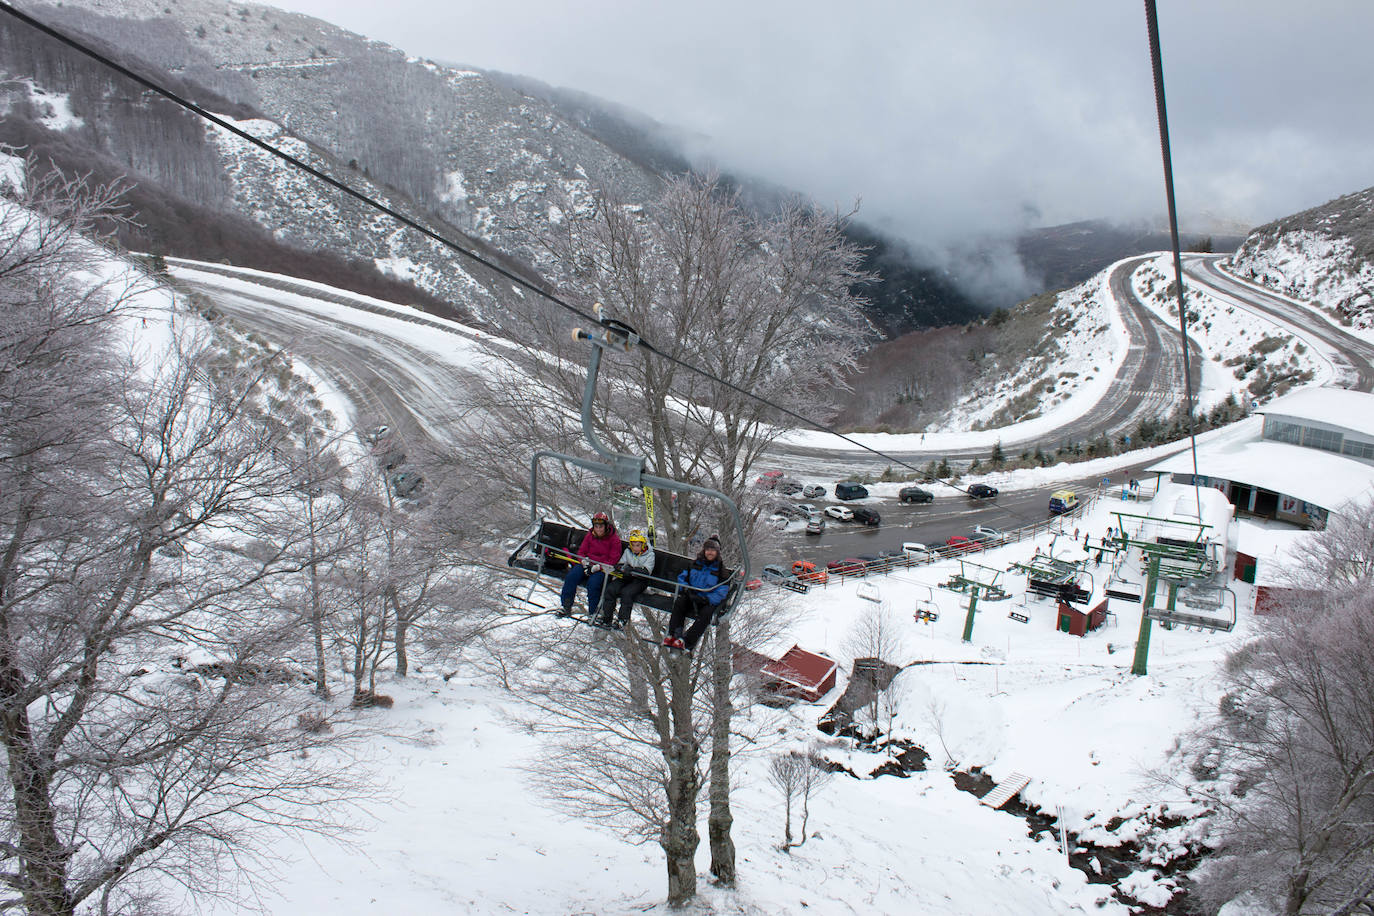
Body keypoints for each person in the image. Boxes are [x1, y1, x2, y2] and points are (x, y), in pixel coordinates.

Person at [663, 536, 730, 651]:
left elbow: (722, 591)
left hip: (705, 601)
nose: (710, 552)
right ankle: (674, 635)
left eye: (713, 550)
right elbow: (682, 577)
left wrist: (706, 599)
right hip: (691, 596)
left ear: (717, 552)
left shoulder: (721, 571)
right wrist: (685, 589)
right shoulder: (695, 564)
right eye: (708, 549)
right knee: (680, 602)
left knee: (707, 614)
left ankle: (688, 641)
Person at [558, 511, 622, 618]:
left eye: (601, 526)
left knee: (593, 584)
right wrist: (584, 561)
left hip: (602, 568)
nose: (598, 529)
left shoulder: (614, 540)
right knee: (571, 577)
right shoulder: (590, 535)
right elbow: (582, 551)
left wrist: (599, 567)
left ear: (606, 526)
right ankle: (566, 605)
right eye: (596, 526)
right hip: (588, 564)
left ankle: (593, 612)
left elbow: (613, 559)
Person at [596, 528, 656, 629]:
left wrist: (633, 569)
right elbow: (620, 563)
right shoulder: (628, 551)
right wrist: (622, 567)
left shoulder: (650, 555)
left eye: (638, 545)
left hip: (640, 580)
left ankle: (622, 619)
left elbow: (646, 571)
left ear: (643, 545)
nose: (635, 548)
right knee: (611, 589)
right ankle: (606, 617)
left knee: (627, 593)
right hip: (626, 577)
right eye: (633, 545)